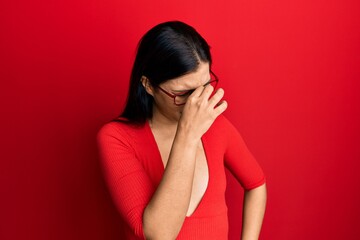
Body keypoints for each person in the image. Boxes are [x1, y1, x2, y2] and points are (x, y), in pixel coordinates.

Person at [97, 21, 267, 240]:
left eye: (204, 86)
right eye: (183, 93)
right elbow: (159, 234)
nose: (196, 102)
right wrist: (188, 136)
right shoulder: (116, 138)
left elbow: (256, 184)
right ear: (148, 85)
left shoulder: (217, 126)